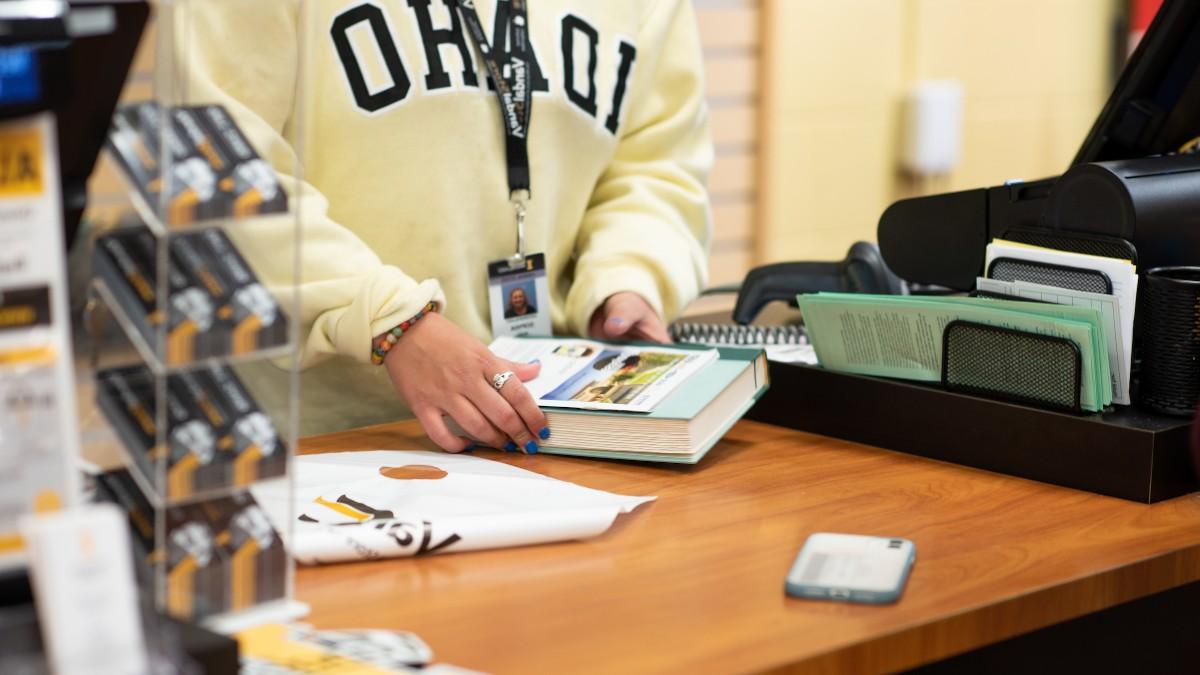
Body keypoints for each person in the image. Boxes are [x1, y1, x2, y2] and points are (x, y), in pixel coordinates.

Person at [177, 0, 713, 451]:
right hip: (309, 447)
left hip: (550, 433)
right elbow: (216, 165)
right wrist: (391, 321)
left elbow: (656, 164)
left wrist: (627, 280)